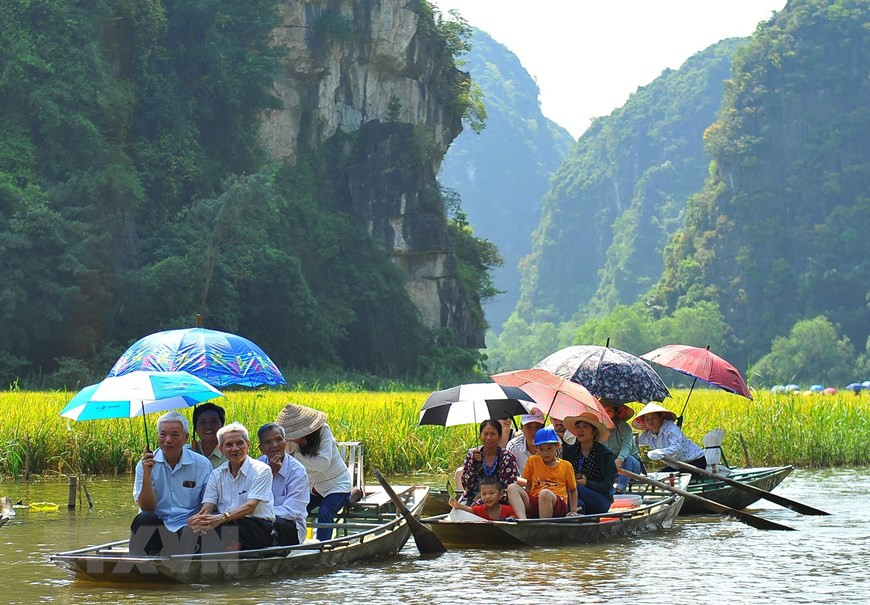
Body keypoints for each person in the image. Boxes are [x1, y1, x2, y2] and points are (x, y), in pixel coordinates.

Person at [130, 411, 212, 555]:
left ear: (185, 437)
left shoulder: (202, 464)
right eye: (163, 434)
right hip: (157, 525)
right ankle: (137, 565)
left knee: (197, 528)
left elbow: (208, 503)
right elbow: (147, 507)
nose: (168, 440)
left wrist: (198, 520)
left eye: (174, 435)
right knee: (144, 518)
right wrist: (147, 474)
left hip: (187, 527)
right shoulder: (144, 464)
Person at [188, 422, 275, 551]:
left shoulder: (262, 470)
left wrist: (222, 518)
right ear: (221, 449)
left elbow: (250, 507)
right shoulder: (216, 474)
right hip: (226, 525)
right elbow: (207, 506)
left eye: (240, 443)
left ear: (248, 445)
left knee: (221, 532)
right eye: (229, 445)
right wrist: (200, 519)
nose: (235, 448)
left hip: (256, 527)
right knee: (191, 531)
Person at [276, 403, 352, 541]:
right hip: (313, 488)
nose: (290, 438)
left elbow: (323, 463)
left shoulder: (323, 431)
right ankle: (291, 543)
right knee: (293, 509)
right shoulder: (290, 442)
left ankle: (322, 547)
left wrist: (294, 456)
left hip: (337, 486)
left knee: (325, 512)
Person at [506, 427, 578, 519]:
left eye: (549, 448)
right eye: (541, 449)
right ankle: (523, 519)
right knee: (512, 487)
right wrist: (527, 498)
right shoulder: (532, 460)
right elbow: (529, 484)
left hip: (557, 502)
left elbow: (572, 489)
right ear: (536, 448)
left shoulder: (566, 465)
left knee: (544, 494)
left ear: (557, 446)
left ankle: (543, 524)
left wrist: (573, 511)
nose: (545, 453)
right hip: (536, 500)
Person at [257, 422, 310, 546]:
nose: (274, 445)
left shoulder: (297, 471)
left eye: (278, 440)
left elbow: (291, 511)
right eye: (268, 442)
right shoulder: (256, 467)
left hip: (289, 527)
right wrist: (270, 473)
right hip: (259, 523)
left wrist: (257, 514)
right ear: (261, 449)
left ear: (285, 443)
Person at [562, 412, 617, 514]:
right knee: (579, 504)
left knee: (576, 488)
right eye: (578, 427)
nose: (580, 430)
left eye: (585, 427)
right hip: (575, 497)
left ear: (594, 431)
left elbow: (608, 486)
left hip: (600, 499)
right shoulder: (570, 452)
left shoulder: (605, 454)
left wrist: (587, 483)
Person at [459, 419, 519, 505]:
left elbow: (509, 489)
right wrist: (473, 463)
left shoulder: (508, 458)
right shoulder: (472, 455)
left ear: (499, 436)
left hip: (500, 502)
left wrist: (483, 500)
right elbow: (467, 487)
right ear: (480, 436)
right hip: (473, 499)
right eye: (485, 434)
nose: (489, 438)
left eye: (493, 434)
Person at [632, 402, 706, 471]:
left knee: (672, 479)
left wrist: (660, 452)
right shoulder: (648, 434)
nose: (650, 421)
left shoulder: (670, 429)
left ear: (660, 417)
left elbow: (676, 447)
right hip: (677, 464)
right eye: (646, 419)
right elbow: (634, 443)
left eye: (653, 417)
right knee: (659, 475)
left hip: (694, 461)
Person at [603, 404, 643, 493]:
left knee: (627, 458)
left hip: (631, 465)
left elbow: (626, 446)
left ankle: (620, 489)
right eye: (604, 410)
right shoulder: (600, 428)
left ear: (616, 412)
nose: (606, 413)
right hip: (612, 465)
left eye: (609, 411)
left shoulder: (624, 427)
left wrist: (619, 459)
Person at [448, 476, 515, 520]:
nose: (487, 497)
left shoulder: (508, 509)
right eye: (484, 494)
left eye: (491, 493)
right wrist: (456, 505)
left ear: (501, 494)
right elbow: (469, 509)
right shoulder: (481, 509)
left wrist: (510, 518)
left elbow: (516, 516)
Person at [506, 409, 545, 474]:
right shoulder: (513, 446)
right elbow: (509, 474)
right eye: (529, 427)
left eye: (537, 427)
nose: (533, 431)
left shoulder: (553, 445)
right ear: (522, 428)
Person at [189, 402, 227, 469]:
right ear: (195, 428)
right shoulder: (186, 453)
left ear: (222, 425)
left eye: (214, 421)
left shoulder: (230, 454)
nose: (208, 426)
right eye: (203, 422)